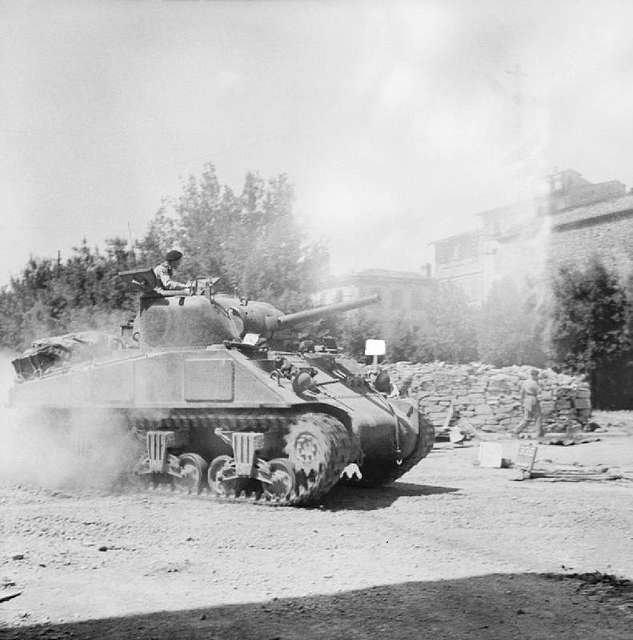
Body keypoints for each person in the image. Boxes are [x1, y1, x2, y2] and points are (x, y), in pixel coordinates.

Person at [514, 369, 544, 438]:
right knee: (537, 417)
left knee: (527, 418)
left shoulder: (525, 382)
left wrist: (521, 402)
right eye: (536, 375)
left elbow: (522, 393)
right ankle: (538, 433)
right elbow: (539, 392)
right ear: (535, 375)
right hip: (533, 399)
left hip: (526, 399)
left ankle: (516, 430)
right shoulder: (535, 383)